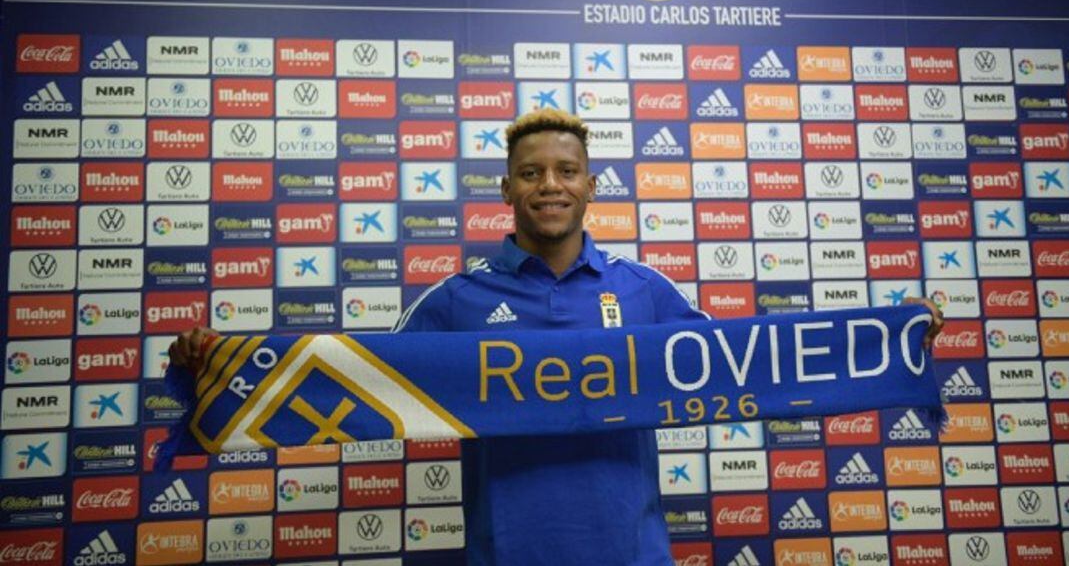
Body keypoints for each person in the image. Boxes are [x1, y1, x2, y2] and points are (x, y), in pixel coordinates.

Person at [170, 108, 945, 565]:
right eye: (532, 173)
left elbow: (757, 362)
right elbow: (358, 377)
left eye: (566, 170)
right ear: (506, 189)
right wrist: (224, 364)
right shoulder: (455, 299)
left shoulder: (645, 290)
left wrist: (891, 334)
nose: (550, 185)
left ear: (590, 185)